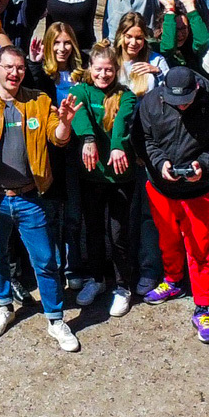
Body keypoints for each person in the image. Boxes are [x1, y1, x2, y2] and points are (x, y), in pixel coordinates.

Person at [0, 45, 83, 353]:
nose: (15, 73)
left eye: (20, 68)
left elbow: (58, 137)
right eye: (9, 67)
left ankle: (55, 319)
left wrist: (65, 121)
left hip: (30, 197)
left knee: (45, 260)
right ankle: (3, 305)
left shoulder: (39, 101)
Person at [134, 61, 209, 343]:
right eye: (175, 101)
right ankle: (173, 280)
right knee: (167, 239)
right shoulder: (153, 100)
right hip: (160, 186)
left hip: (197, 191)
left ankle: (203, 306)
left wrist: (203, 165)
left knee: (201, 249)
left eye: (186, 100)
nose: (181, 106)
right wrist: (159, 162)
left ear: (197, 89)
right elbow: (141, 138)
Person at [67, 42, 140, 319]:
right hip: (92, 175)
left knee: (118, 233)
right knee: (93, 229)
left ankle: (123, 286)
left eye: (109, 70)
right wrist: (88, 139)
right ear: (90, 69)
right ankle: (96, 279)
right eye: (98, 69)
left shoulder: (126, 95)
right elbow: (80, 113)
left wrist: (119, 145)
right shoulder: (80, 91)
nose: (103, 75)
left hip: (121, 176)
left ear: (116, 69)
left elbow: (123, 119)